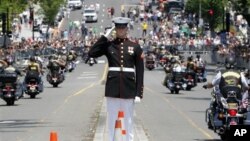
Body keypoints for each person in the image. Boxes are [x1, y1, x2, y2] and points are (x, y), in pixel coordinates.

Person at [88, 17, 144, 141]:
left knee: (128, 121)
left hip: (128, 87)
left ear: (127, 29)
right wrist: (104, 37)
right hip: (113, 87)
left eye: (123, 28)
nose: (120, 30)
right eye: (118, 28)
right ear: (115, 29)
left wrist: (138, 93)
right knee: (111, 120)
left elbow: (140, 71)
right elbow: (92, 52)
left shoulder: (135, 47)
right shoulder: (109, 45)